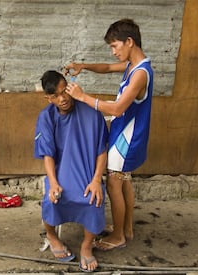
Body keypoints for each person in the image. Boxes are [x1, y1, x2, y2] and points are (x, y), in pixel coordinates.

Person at [65, 18, 154, 250]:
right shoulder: (134, 66)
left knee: (115, 183)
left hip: (128, 138)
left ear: (129, 42)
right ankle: (127, 228)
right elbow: (105, 68)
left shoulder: (140, 74)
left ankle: (118, 236)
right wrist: (83, 66)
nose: (113, 52)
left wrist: (83, 97)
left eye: (115, 46)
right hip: (127, 132)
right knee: (125, 181)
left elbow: (117, 109)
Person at [34, 70, 108, 272]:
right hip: (60, 172)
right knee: (52, 200)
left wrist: (96, 180)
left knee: (94, 199)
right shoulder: (46, 117)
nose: (63, 98)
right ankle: (51, 236)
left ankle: (86, 246)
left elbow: (102, 151)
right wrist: (54, 182)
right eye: (56, 96)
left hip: (87, 172)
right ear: (48, 98)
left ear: (68, 86)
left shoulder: (91, 111)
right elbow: (47, 154)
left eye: (64, 91)